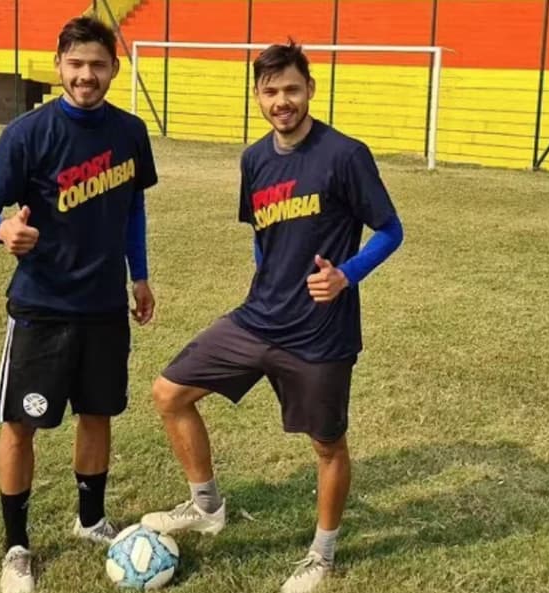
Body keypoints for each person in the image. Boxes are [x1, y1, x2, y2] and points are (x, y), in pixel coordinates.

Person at [140, 41, 403, 593]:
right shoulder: (254, 159)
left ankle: (321, 557)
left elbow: (390, 230)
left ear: (310, 88)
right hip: (256, 320)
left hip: (320, 335)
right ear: (257, 96)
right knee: (169, 393)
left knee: (327, 445)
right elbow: (263, 235)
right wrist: (265, 280)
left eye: (291, 89)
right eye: (270, 91)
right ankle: (207, 507)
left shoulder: (345, 154)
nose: (281, 101)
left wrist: (346, 275)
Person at [0, 16, 158, 593]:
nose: (86, 76)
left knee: (97, 415)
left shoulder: (129, 132)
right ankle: (16, 546)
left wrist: (139, 276)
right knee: (21, 423)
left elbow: (133, 211)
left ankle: (92, 520)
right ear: (59, 66)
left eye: (98, 65)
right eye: (76, 64)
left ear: (113, 69)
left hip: (102, 306)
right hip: (41, 307)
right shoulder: (27, 134)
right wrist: (0, 231)